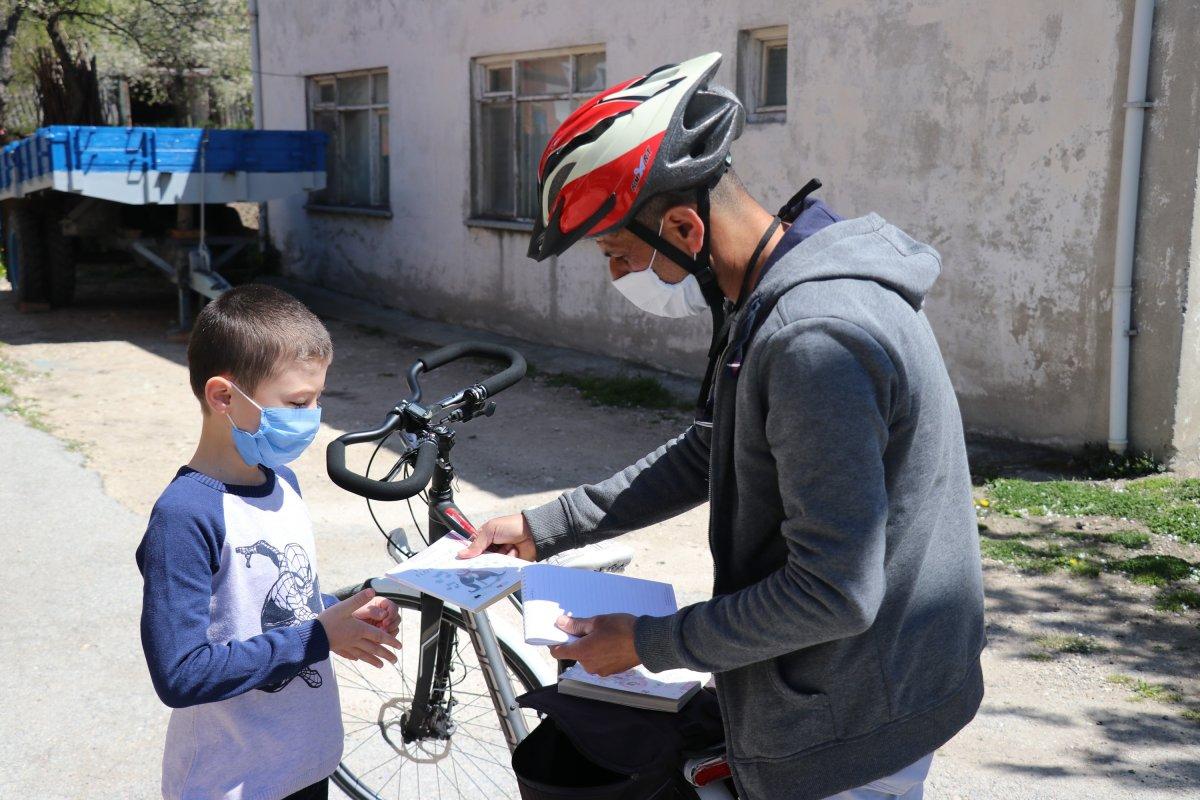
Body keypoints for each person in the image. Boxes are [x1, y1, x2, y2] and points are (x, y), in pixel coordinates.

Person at [460, 52, 986, 800]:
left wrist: (646, 643)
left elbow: (832, 592)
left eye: (618, 254)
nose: (617, 278)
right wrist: (547, 526)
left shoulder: (814, 340)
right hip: (858, 682)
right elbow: (715, 448)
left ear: (683, 226)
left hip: (853, 723)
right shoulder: (778, 293)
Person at [136, 285, 402, 800]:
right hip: (233, 783)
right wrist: (319, 637)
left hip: (303, 767)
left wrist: (343, 614)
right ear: (223, 397)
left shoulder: (284, 484)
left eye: (318, 399)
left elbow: (270, 608)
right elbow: (181, 673)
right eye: (298, 403)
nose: (312, 416)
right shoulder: (184, 516)